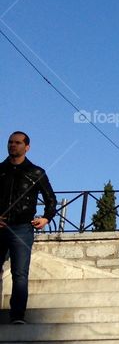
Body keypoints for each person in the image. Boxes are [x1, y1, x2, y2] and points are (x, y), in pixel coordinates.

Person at [0, 132, 57, 324]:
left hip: (23, 227)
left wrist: (46, 218)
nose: (12, 145)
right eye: (10, 142)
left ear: (27, 147)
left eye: (17, 143)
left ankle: (17, 316)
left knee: (20, 273)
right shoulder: (0, 170)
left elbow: (51, 199)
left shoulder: (36, 172)